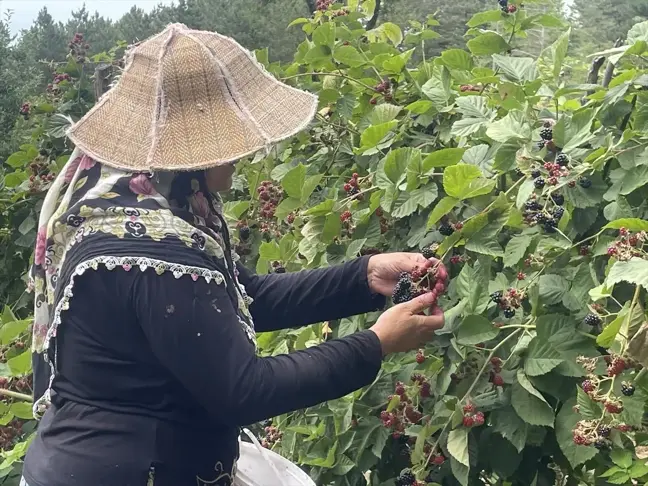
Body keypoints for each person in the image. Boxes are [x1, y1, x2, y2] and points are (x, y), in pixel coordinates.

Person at [21, 23, 446, 486]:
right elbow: (245, 390)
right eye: (227, 142)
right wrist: (376, 343)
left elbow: (246, 295)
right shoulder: (150, 249)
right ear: (192, 155)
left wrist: (363, 277)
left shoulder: (143, 208)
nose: (242, 153)